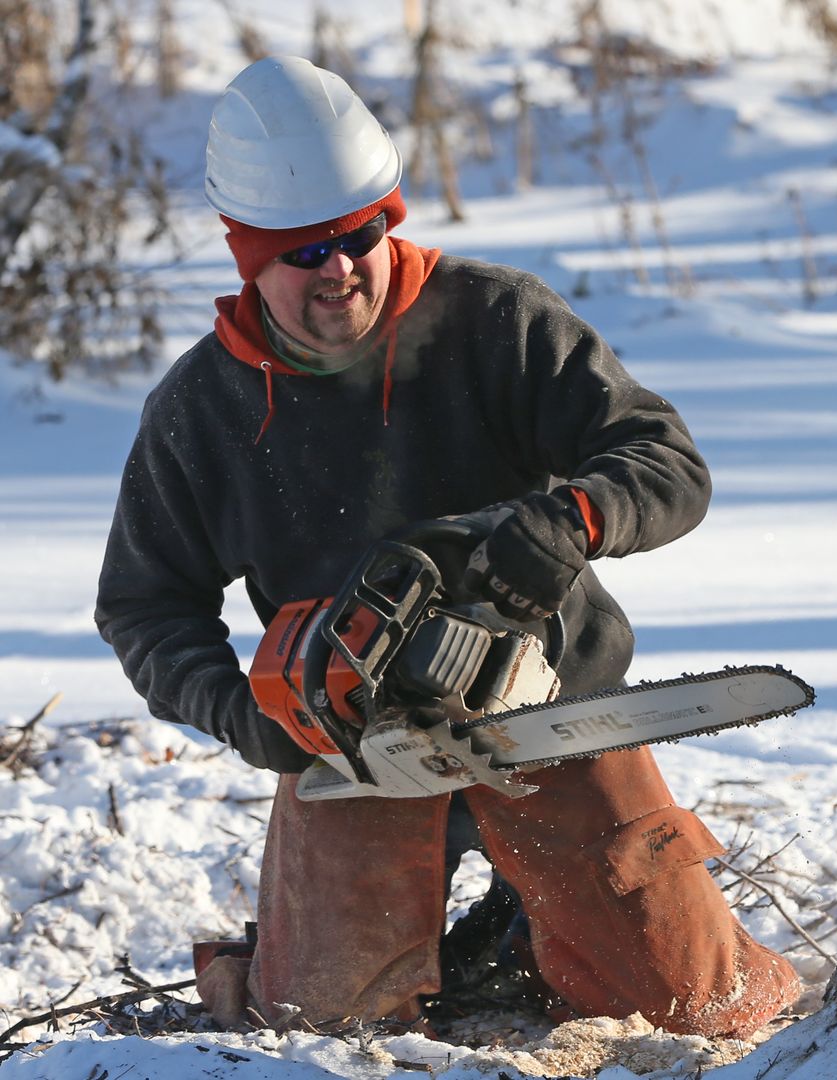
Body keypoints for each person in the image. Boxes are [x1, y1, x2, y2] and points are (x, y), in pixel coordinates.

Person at [94, 56, 799, 1037]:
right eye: (303, 252)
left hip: (550, 710)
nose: (340, 267)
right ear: (249, 255)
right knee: (325, 1023)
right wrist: (244, 716)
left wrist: (573, 520)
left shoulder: (497, 321)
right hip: (351, 741)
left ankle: (531, 929)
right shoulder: (203, 409)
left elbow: (666, 460)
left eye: (359, 235)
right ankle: (266, 966)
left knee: (695, 1001)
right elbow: (143, 604)